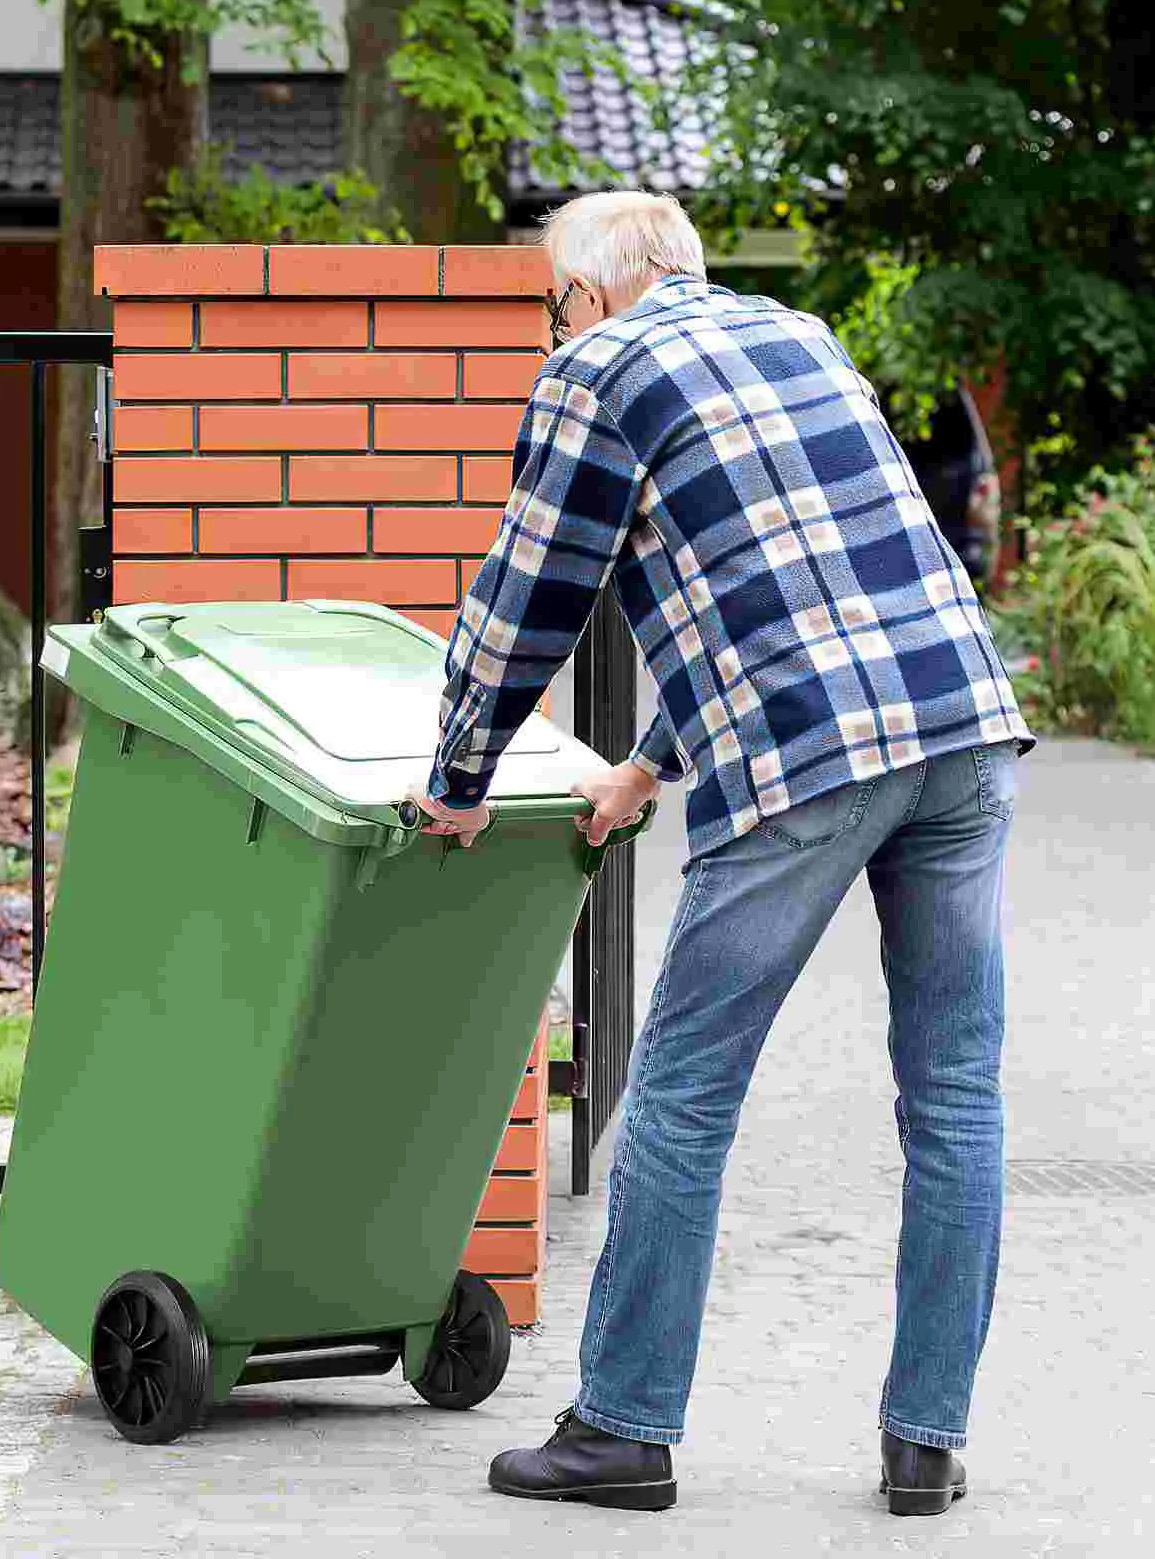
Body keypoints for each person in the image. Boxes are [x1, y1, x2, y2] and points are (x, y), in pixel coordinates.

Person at [406, 190, 1033, 1518]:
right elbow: (789, 586)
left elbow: (528, 598)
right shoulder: (798, 333)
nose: (554, 330)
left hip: (812, 760)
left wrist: (458, 779)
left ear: (587, 294)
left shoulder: (597, 368)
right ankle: (927, 1445)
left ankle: (621, 1431)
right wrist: (646, 766)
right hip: (966, 731)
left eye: (552, 307)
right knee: (957, 1099)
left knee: (684, 1094)